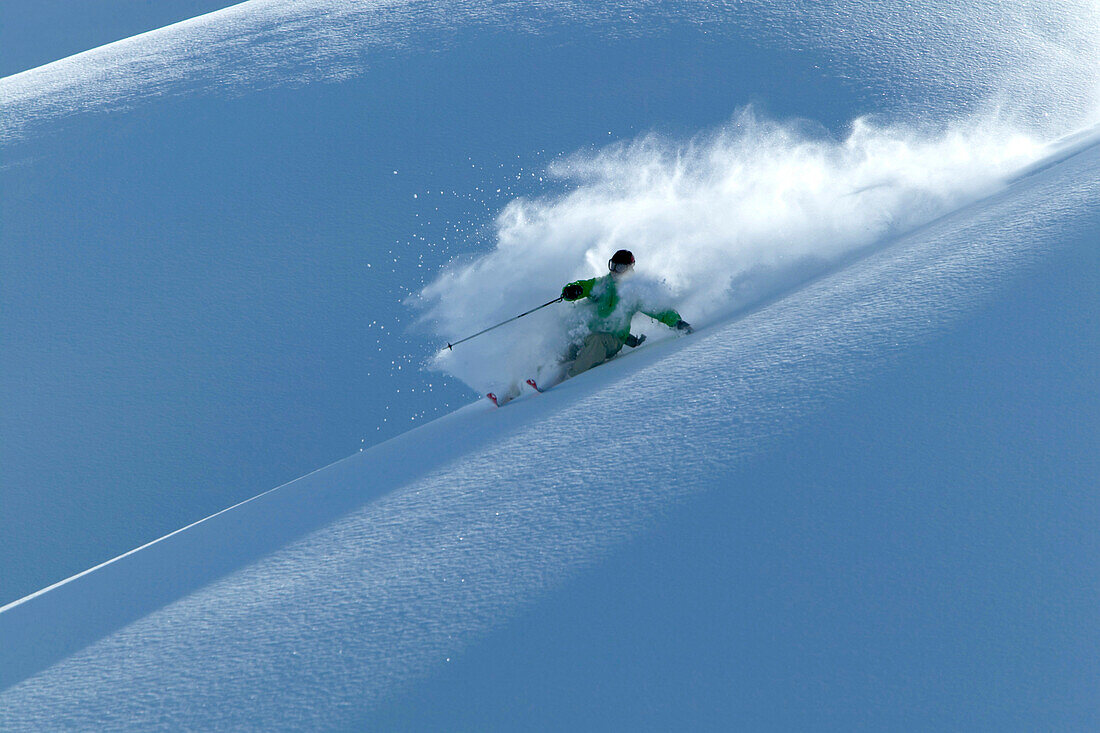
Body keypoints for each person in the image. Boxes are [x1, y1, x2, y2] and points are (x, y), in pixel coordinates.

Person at [557, 249, 692, 379]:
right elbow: (584, 286)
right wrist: (573, 290)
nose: (615, 271)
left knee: (596, 341)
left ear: (629, 268)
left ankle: (572, 378)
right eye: (612, 266)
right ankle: (552, 371)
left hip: (612, 340)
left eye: (620, 268)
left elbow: (657, 310)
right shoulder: (602, 283)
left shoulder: (633, 291)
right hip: (590, 333)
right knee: (571, 342)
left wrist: (676, 322)